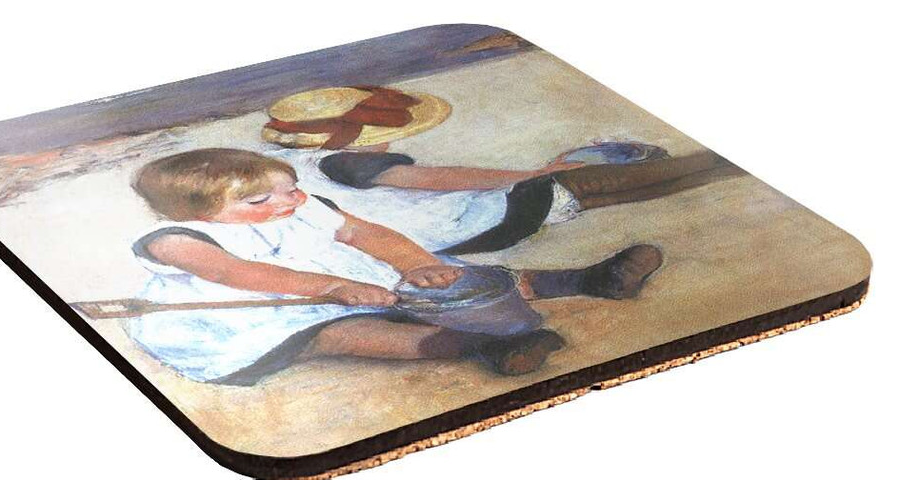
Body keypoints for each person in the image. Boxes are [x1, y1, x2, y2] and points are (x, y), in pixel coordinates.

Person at [125, 148, 663, 386]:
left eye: (290, 189)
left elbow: (365, 234)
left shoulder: (299, 206)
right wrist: (335, 287)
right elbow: (239, 276)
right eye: (261, 201)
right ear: (196, 212)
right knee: (344, 336)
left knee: (454, 279)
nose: (288, 202)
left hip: (345, 278)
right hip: (258, 314)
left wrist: (417, 263)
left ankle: (586, 279)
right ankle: (488, 346)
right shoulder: (177, 240)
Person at [261, 85, 745, 254]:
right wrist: (533, 172)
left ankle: (719, 172)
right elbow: (439, 180)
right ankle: (717, 162)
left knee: (590, 198)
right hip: (474, 220)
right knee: (579, 181)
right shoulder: (345, 160)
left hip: (457, 239)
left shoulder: (301, 167)